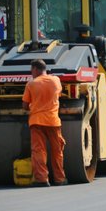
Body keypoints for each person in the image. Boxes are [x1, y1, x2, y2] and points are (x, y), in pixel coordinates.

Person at [22, 59, 67, 187]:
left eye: (31, 70)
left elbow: (25, 105)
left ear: (36, 69)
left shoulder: (31, 84)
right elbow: (58, 94)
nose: (31, 72)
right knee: (57, 151)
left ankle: (42, 179)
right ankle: (60, 179)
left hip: (36, 122)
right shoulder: (55, 80)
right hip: (53, 121)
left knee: (39, 151)